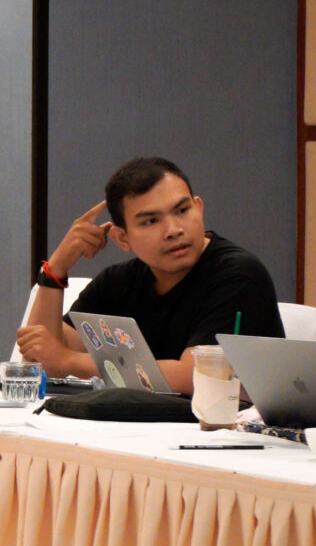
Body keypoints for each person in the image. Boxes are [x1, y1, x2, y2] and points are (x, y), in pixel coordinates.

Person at [18, 156, 284, 393]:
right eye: (151, 221)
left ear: (199, 208)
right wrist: (56, 268)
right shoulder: (118, 282)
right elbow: (40, 359)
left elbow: (200, 376)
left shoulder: (237, 275)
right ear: (122, 238)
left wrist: (70, 361)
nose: (174, 230)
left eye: (182, 211)